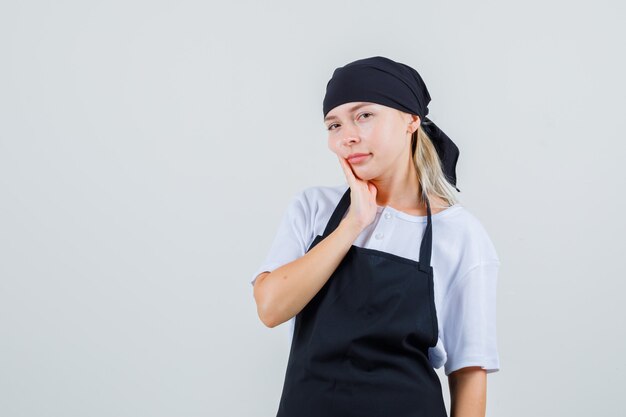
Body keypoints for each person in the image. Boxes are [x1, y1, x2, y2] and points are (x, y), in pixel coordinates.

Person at [250, 56, 500, 417]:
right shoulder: (314, 209)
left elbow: (469, 371)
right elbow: (270, 308)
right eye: (333, 125)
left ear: (411, 120)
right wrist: (353, 222)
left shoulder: (460, 234)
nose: (347, 136)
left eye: (364, 115)